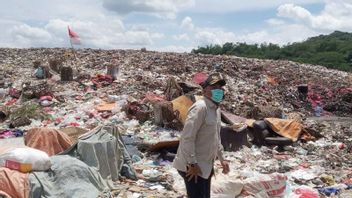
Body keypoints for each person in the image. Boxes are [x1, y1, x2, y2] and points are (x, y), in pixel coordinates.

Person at [173, 72, 230, 198]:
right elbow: (188, 137)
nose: (218, 90)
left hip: (205, 165)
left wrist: (222, 158)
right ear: (204, 90)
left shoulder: (216, 109)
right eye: (214, 87)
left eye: (220, 88)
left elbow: (216, 137)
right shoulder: (200, 108)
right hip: (192, 167)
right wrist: (192, 163)